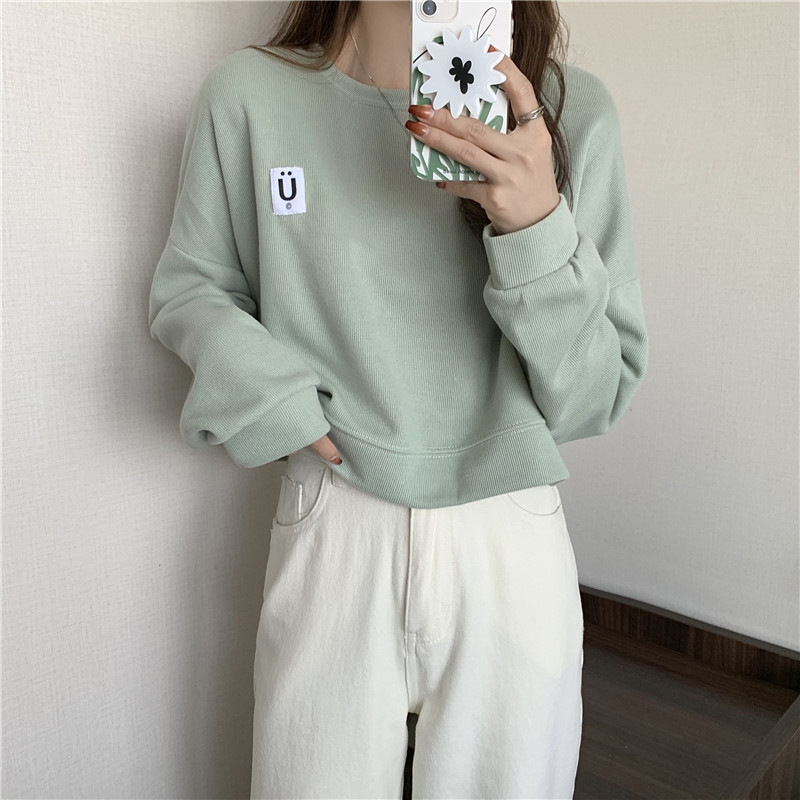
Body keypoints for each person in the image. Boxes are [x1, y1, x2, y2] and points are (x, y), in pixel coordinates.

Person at [147, 1, 648, 797]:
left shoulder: (568, 113)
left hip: (509, 535)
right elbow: (192, 288)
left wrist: (535, 226)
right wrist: (278, 403)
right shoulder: (248, 96)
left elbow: (595, 393)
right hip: (334, 519)